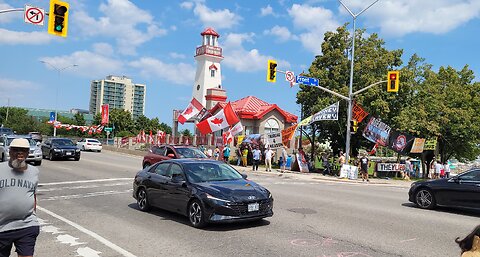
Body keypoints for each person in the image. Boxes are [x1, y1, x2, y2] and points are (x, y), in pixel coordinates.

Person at [0, 138, 40, 257]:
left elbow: (33, 194)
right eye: (16, 150)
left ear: (28, 153)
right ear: (10, 151)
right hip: (2, 227)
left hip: (26, 224)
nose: (19, 153)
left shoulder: (34, 172)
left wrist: (34, 214)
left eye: (23, 150)